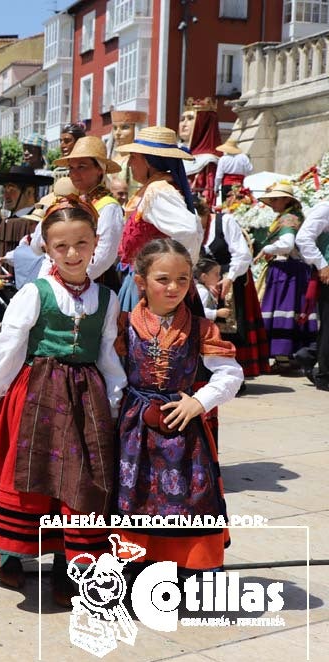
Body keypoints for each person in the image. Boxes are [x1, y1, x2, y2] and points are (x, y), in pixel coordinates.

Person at [0, 196, 125, 606]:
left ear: (95, 244)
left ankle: (65, 566)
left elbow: (108, 353)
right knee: (27, 474)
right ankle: (10, 555)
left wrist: (114, 402)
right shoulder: (36, 292)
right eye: (61, 246)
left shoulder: (107, 300)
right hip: (36, 393)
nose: (72, 254)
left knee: (76, 481)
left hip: (84, 398)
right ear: (48, 248)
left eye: (81, 243)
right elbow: (9, 347)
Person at [115, 238, 242, 572]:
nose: (174, 287)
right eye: (163, 279)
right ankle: (133, 568)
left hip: (184, 431)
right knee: (135, 496)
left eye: (183, 279)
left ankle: (183, 567)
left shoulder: (202, 329)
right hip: (134, 429)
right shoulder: (122, 324)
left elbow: (230, 374)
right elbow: (110, 374)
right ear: (141, 281)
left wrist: (199, 402)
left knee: (186, 498)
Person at [113, 126, 203, 311]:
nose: (129, 164)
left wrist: (172, 272)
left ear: (148, 161)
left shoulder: (158, 191)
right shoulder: (155, 188)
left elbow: (188, 230)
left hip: (151, 290)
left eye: (134, 157)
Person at [36, 137, 124, 290]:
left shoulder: (108, 207)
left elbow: (104, 256)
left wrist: (72, 281)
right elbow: (37, 242)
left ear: (100, 170)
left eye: (82, 167)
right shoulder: (69, 202)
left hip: (93, 284)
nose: (74, 173)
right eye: (71, 168)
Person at [202, 196, 269, 379]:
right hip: (206, 282)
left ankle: (235, 376)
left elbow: (242, 254)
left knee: (232, 329)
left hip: (231, 280)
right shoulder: (192, 228)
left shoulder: (225, 222)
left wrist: (230, 278)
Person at [255, 183, 317, 370]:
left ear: (287, 200)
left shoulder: (288, 218)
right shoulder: (290, 216)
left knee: (282, 310)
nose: (271, 203)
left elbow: (288, 244)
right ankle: (289, 357)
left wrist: (267, 248)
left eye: (275, 199)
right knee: (290, 311)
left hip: (286, 271)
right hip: (292, 270)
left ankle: (284, 358)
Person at [294, 201, 329, 390]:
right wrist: (321, 264)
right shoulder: (326, 208)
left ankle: (308, 356)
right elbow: (304, 237)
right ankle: (325, 376)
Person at [0, 165, 54, 258]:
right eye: (5, 190)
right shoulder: (7, 222)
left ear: (29, 192)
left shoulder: (40, 222)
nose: (6, 196)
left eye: (12, 190)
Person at [180, 98, 221, 210]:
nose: (184, 124)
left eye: (190, 119)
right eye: (182, 119)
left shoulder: (208, 160)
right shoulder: (175, 154)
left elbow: (208, 194)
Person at [109, 110, 147, 200]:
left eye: (124, 127)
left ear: (136, 130)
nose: (117, 133)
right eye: (115, 128)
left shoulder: (141, 161)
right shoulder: (110, 159)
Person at [214, 138, 252, 205]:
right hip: (239, 185)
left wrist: (216, 187)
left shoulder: (223, 159)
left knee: (226, 205)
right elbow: (249, 169)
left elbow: (219, 176)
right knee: (239, 204)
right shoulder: (244, 157)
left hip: (226, 185)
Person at [194, 257, 232, 323]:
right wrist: (217, 313)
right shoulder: (203, 292)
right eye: (216, 274)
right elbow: (199, 311)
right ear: (204, 277)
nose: (219, 277)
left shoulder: (204, 289)